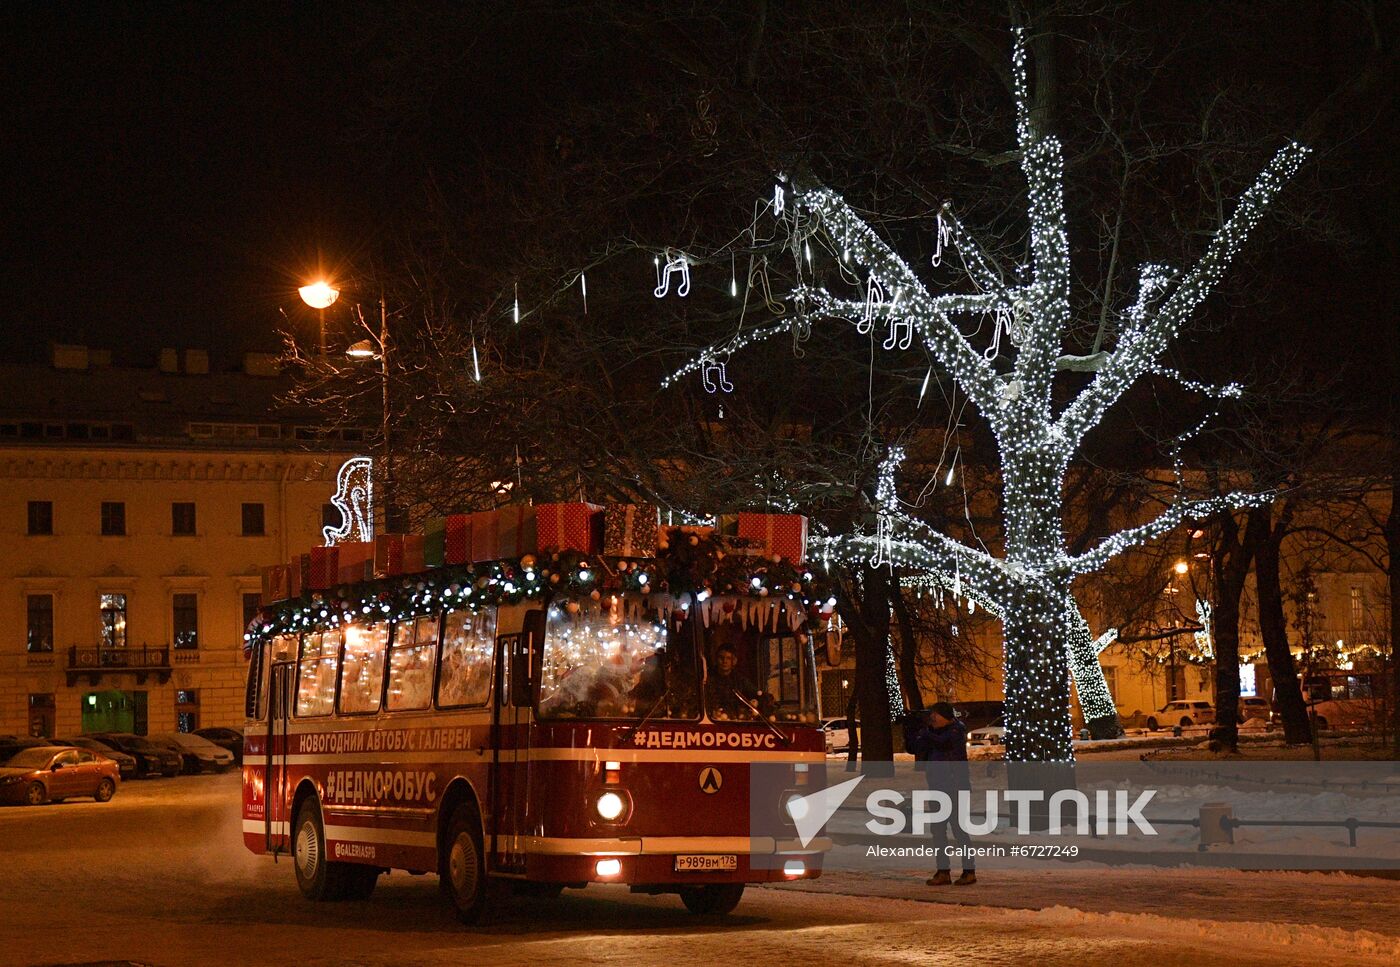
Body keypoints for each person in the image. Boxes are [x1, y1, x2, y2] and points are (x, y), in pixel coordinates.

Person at [904, 702, 976, 886]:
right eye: (931, 715)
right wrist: (910, 729)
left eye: (936, 715)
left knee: (959, 830)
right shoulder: (933, 733)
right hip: (937, 788)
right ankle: (943, 871)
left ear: (946, 716)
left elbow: (943, 743)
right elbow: (914, 748)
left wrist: (925, 732)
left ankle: (969, 871)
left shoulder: (956, 731)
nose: (932, 718)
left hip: (955, 787)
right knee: (938, 831)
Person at [705, 644, 759, 720]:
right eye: (721, 657)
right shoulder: (707, 678)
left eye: (728, 658)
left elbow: (756, 693)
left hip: (734, 721)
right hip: (713, 720)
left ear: (734, 661)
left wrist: (756, 701)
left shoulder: (740, 680)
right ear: (716, 659)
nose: (724, 661)